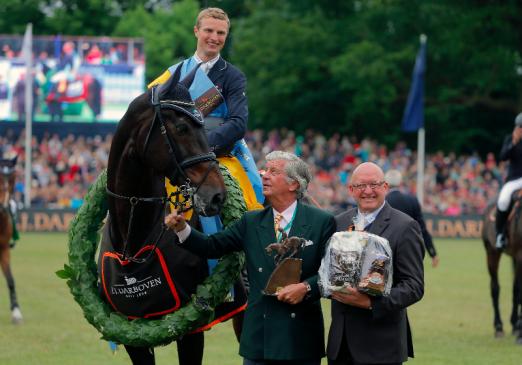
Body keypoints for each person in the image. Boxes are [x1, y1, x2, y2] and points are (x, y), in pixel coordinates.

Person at [165, 151, 336, 365]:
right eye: (265, 170)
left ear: (294, 184)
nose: (264, 175)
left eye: (274, 171)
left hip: (300, 338)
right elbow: (212, 245)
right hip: (259, 338)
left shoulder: (322, 221)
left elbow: (331, 274)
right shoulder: (251, 221)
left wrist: (306, 288)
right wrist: (182, 229)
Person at [150, 7, 263, 211]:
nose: (214, 37)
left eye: (221, 33)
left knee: (249, 200)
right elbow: (150, 116)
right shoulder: (172, 75)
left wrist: (199, 147)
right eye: (208, 31)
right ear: (196, 31)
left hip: (217, 156)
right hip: (176, 158)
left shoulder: (233, 77)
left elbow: (238, 124)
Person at [327, 162, 424, 365]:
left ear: (386, 187)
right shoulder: (338, 223)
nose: (368, 191)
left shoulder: (405, 226)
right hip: (341, 344)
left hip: (382, 346)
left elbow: (414, 286)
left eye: (374, 185)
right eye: (361, 186)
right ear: (351, 190)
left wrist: (371, 303)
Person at [384, 169, 439, 267]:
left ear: (386, 183)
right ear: (400, 182)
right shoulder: (412, 200)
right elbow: (422, 229)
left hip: (386, 249)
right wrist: (432, 252)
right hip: (408, 249)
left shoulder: (383, 201)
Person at [495, 113, 522, 249]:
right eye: (520, 127)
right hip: (515, 180)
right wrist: (513, 143)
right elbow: (503, 157)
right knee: (503, 200)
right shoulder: (510, 139)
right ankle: (500, 235)